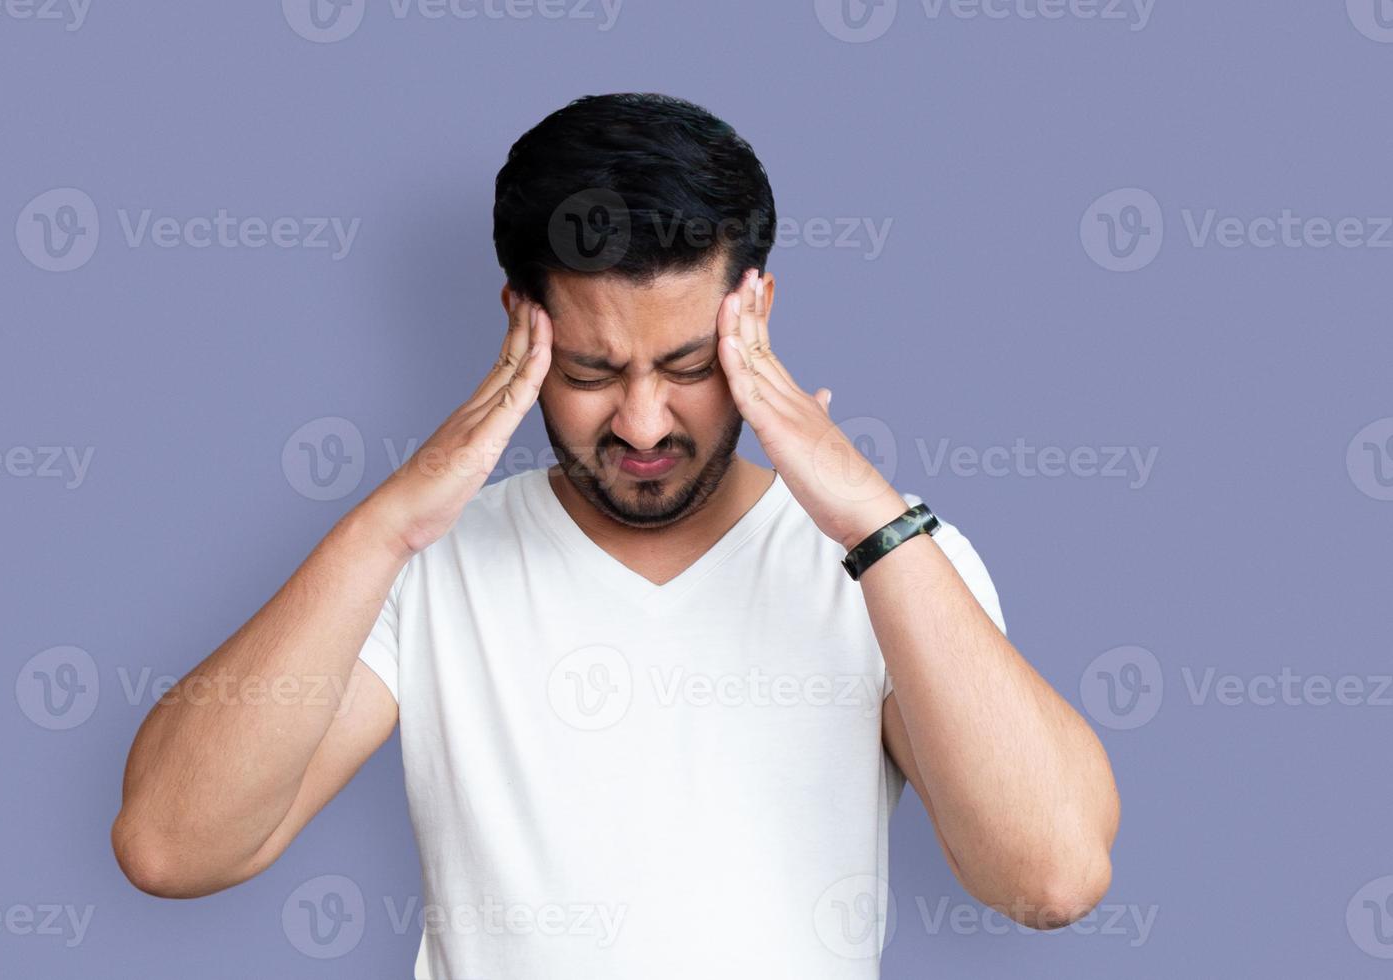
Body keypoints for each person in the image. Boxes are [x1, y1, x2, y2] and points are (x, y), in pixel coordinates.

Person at [111, 92, 1120, 978]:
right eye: (593, 371)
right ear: (522, 324)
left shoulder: (888, 559)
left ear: (755, 310)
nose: (641, 423)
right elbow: (171, 846)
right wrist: (386, 526)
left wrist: (870, 519)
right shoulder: (434, 562)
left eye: (687, 366)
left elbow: (1052, 875)